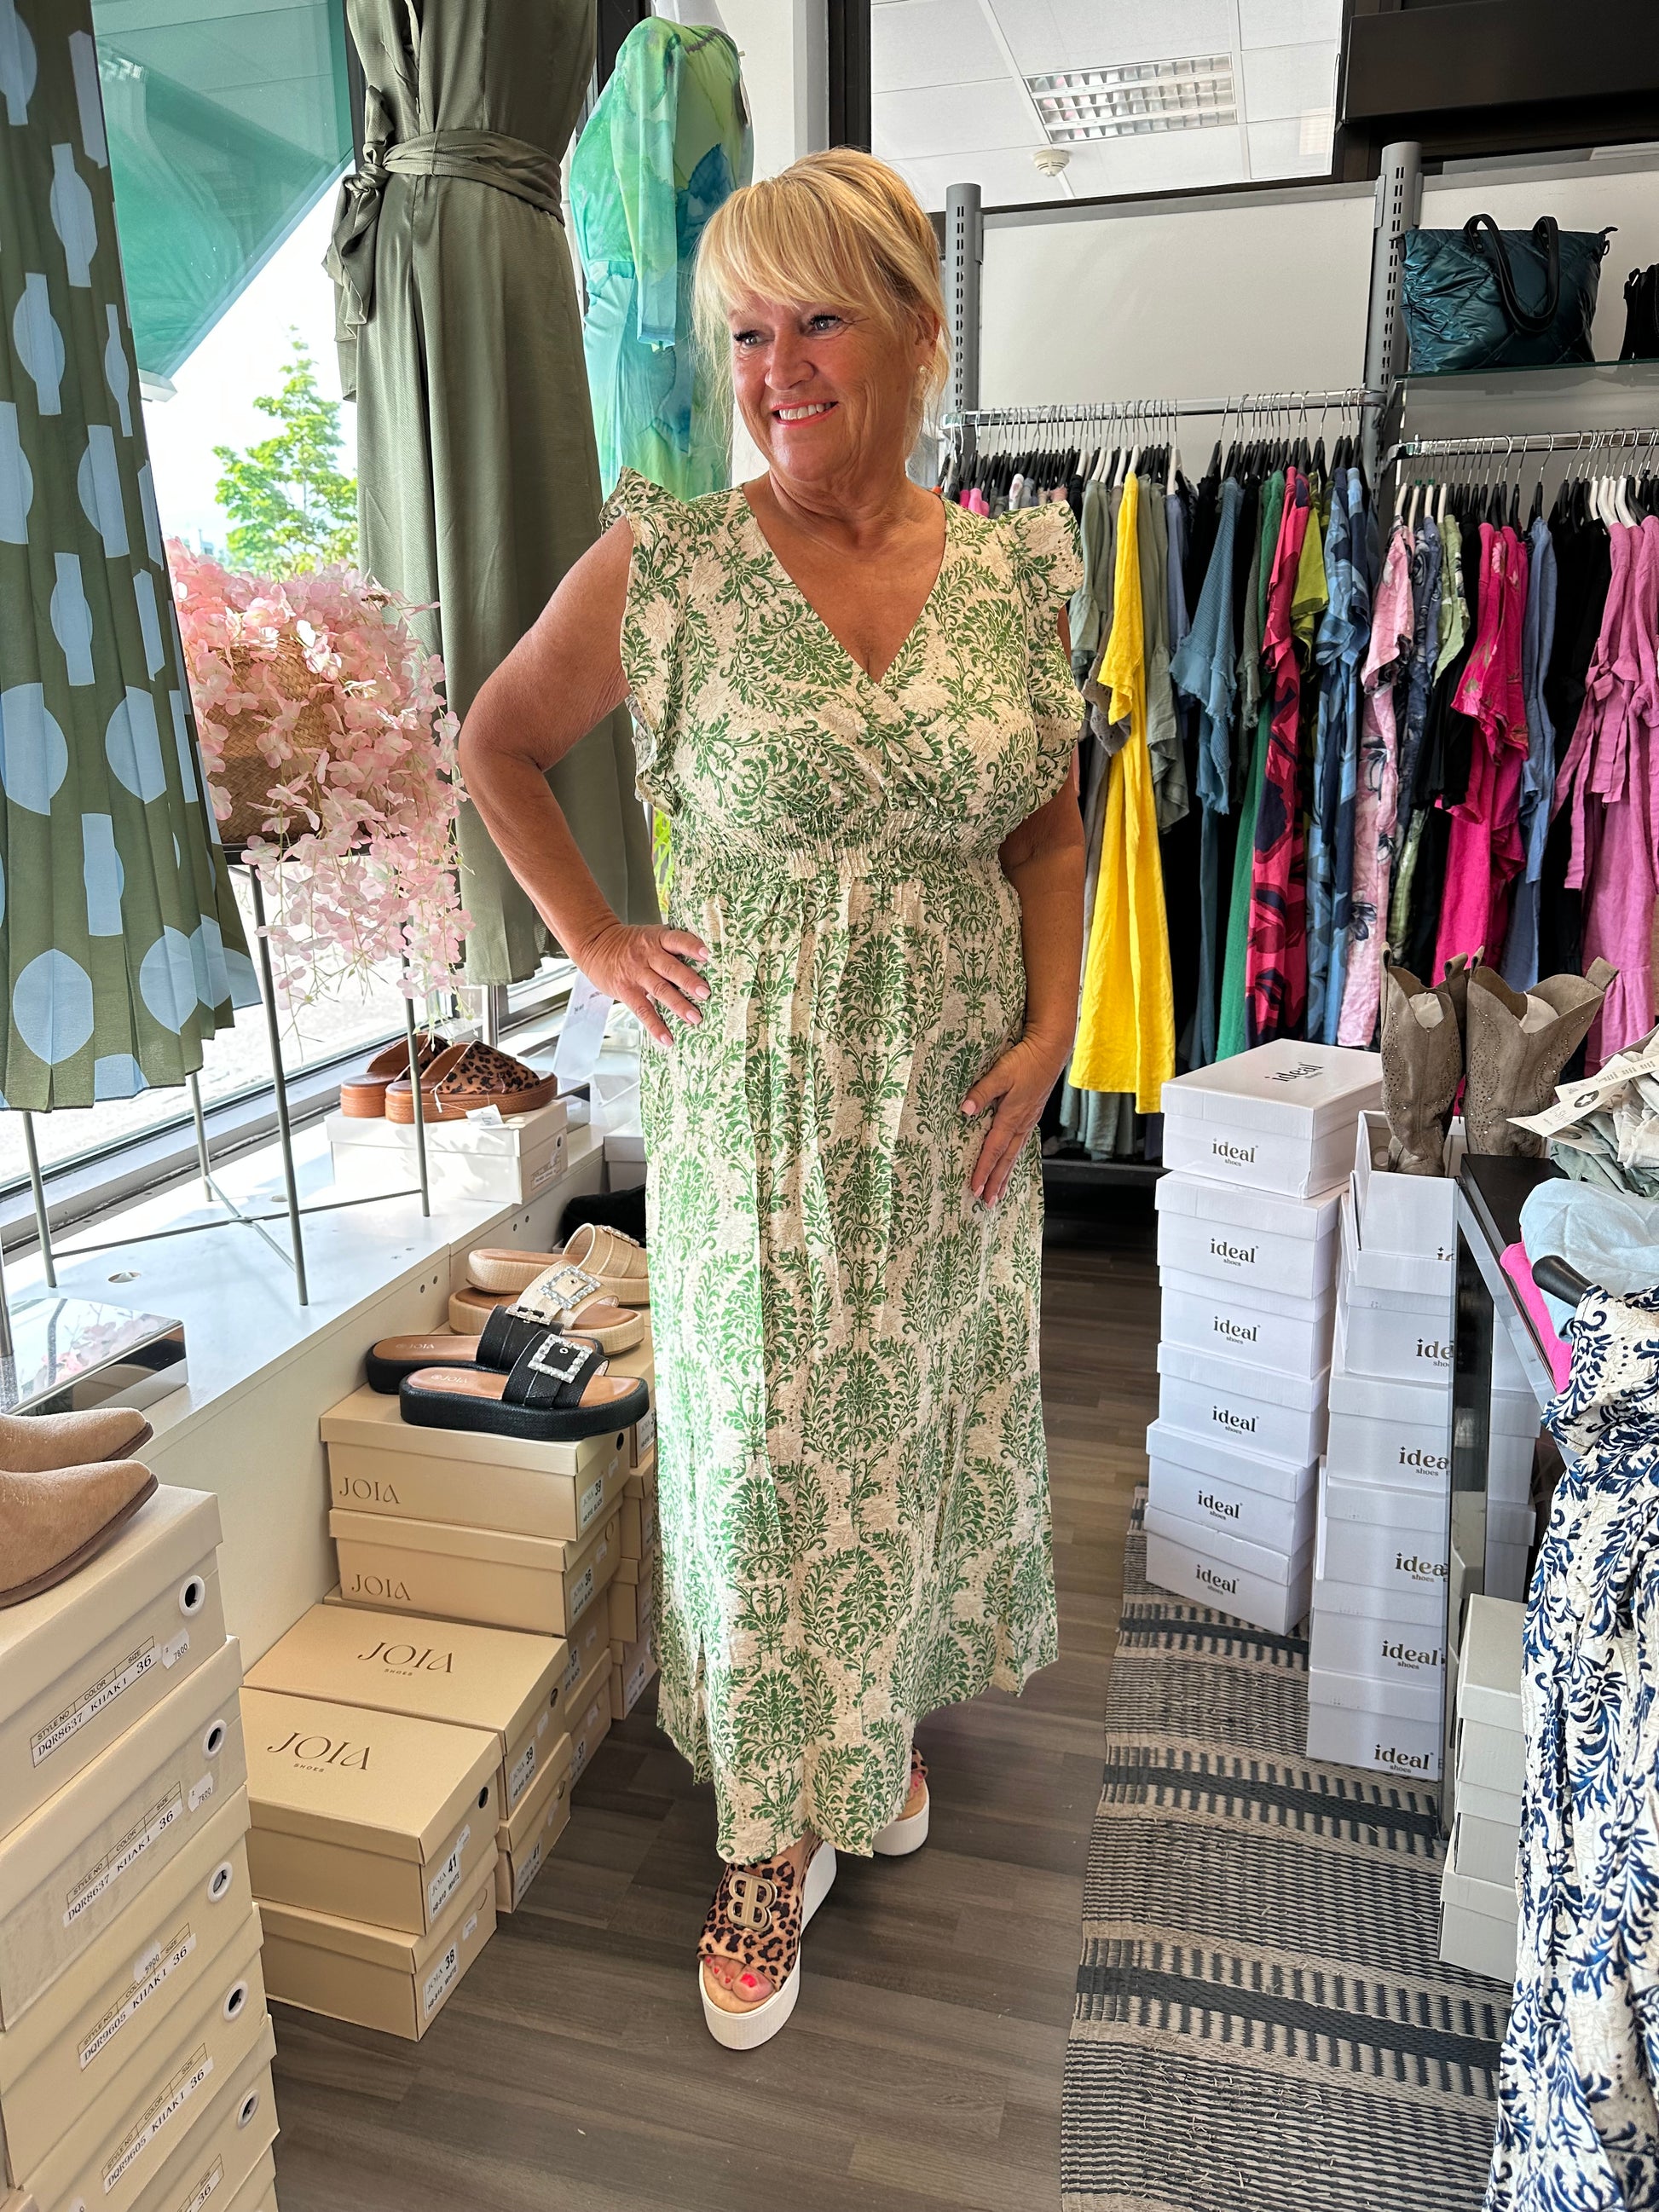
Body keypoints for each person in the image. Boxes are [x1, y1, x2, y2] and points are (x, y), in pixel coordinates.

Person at [459, 147, 1085, 2050]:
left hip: (952, 1106)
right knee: (759, 1457)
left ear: (915, 329)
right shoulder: (670, 563)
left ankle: (861, 1733)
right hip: (756, 1108)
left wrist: (1057, 1027)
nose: (776, 368)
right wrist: (596, 936)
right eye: (744, 331)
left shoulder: (1014, 573)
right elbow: (496, 743)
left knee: (907, 1434)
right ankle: (762, 1829)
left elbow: (1047, 831)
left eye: (817, 319)